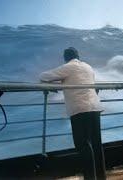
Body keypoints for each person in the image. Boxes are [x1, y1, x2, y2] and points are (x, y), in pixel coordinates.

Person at [39, 47, 106, 180]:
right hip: (95, 107)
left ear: (65, 58)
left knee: (83, 144)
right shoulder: (88, 67)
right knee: (96, 144)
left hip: (80, 109)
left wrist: (58, 82)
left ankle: (90, 178)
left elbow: (44, 76)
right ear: (78, 56)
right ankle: (101, 177)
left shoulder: (68, 67)